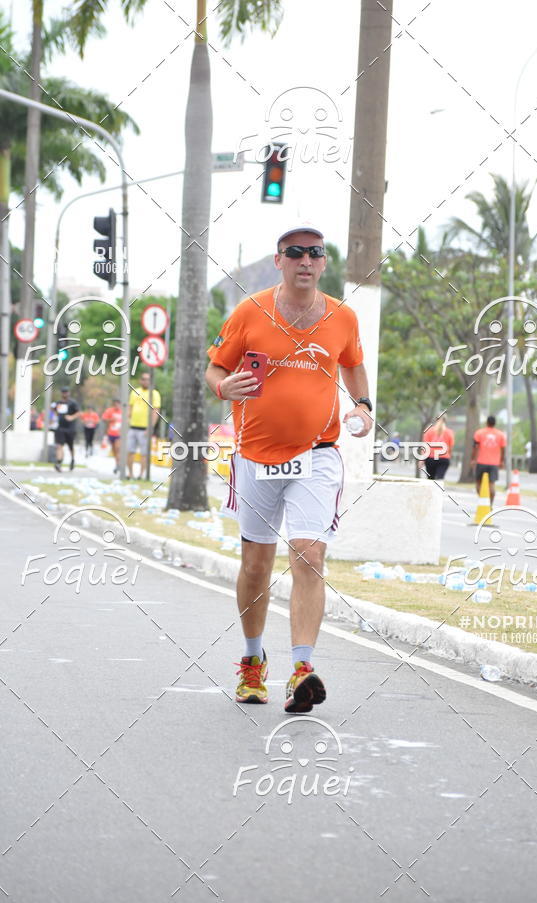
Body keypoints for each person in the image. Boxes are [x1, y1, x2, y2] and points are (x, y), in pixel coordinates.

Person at [205, 224, 372, 714]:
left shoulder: (342, 317)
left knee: (308, 554)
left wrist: (362, 406)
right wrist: (223, 388)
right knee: (256, 565)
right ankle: (253, 664)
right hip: (255, 455)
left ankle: (302, 669)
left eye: (315, 253)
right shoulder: (249, 311)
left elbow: (353, 364)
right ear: (279, 261)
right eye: (295, 252)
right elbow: (215, 367)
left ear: (323, 263)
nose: (305, 260)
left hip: (317, 453)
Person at [127, 372, 160, 479]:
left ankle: (141, 475)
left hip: (145, 429)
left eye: (147, 379)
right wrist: (128, 421)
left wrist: (150, 427)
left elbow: (156, 411)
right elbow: (129, 408)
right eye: (143, 379)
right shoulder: (134, 392)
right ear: (140, 380)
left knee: (144, 453)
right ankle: (130, 474)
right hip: (133, 427)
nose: (145, 381)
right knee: (130, 451)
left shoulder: (154, 393)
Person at [471, 414, 506, 507]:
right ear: (495, 423)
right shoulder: (500, 434)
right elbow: (503, 449)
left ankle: (483, 500)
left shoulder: (479, 433)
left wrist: (473, 459)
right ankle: (490, 504)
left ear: (486, 422)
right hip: (494, 463)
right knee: (492, 485)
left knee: (478, 483)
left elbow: (475, 447)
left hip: (481, 462)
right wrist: (502, 461)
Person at [52, 387, 79, 472]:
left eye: (66, 392)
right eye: (63, 392)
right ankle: (58, 463)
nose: (65, 394)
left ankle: (72, 460)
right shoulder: (58, 403)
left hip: (70, 428)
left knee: (70, 446)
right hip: (60, 428)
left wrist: (71, 417)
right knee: (59, 446)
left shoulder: (73, 403)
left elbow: (78, 412)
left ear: (69, 393)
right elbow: (54, 410)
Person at [422, 415, 454, 481]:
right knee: (440, 479)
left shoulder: (429, 431)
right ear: (445, 421)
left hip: (430, 459)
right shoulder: (449, 432)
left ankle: (431, 491)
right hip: (444, 459)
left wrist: (422, 459)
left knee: (430, 480)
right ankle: (438, 489)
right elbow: (450, 447)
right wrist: (449, 456)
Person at [102, 399, 123, 474]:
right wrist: (111, 419)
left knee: (118, 448)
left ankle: (119, 464)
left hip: (119, 434)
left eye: (118, 404)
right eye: (115, 404)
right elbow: (104, 419)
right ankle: (117, 464)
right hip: (111, 433)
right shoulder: (109, 411)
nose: (117, 406)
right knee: (114, 450)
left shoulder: (123, 411)